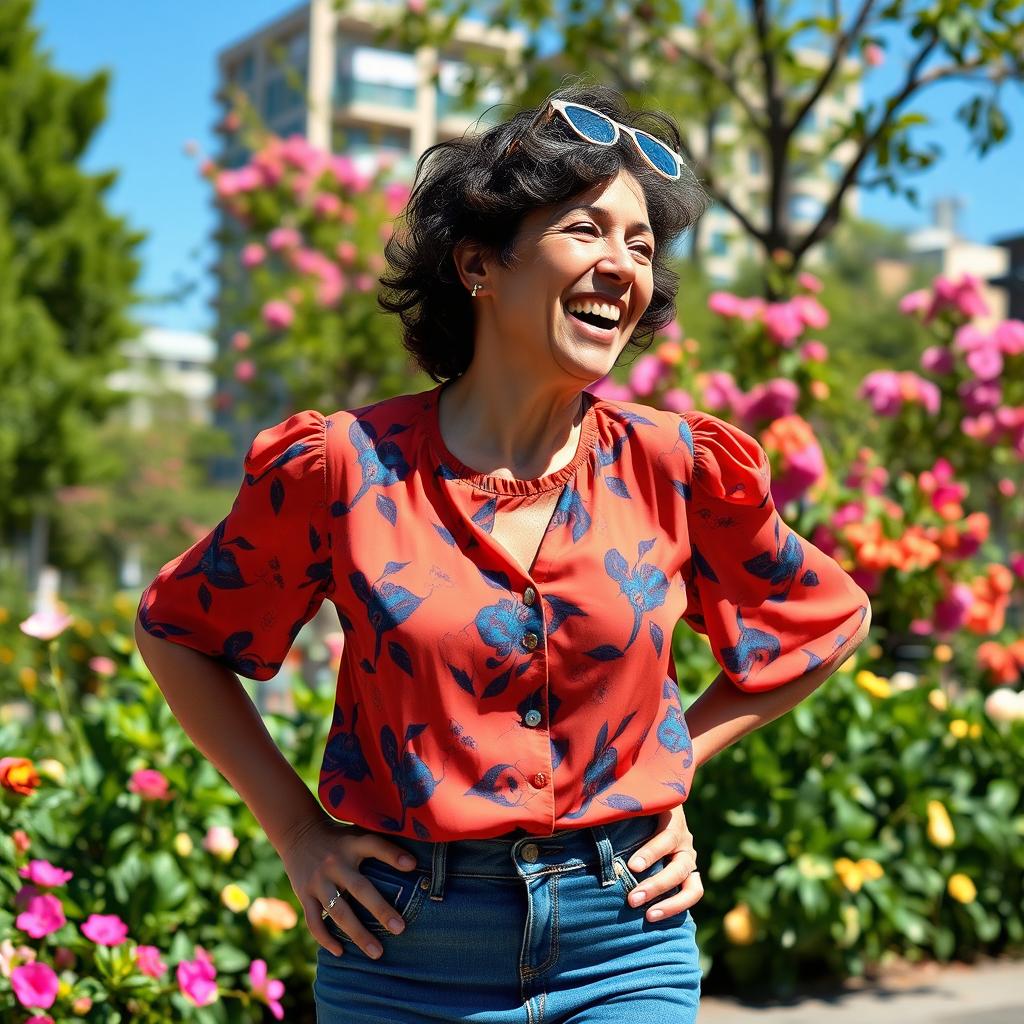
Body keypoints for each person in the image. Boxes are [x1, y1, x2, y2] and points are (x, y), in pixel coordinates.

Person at [135, 81, 871, 1022]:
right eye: (587, 231)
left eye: (640, 245)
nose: (622, 265)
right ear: (480, 263)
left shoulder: (675, 465)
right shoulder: (343, 468)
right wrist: (296, 832)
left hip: (625, 939)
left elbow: (825, 619)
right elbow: (179, 630)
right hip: (401, 951)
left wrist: (675, 759)